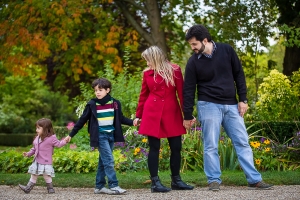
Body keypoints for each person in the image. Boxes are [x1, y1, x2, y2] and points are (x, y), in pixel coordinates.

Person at [183, 24, 274, 191]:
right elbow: (188, 89)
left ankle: (254, 179)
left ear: (205, 40)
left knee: (242, 142)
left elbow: (239, 74)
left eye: (194, 44)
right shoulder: (193, 62)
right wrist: (187, 115)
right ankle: (214, 180)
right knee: (210, 144)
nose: (192, 48)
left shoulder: (227, 50)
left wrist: (243, 99)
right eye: (191, 45)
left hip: (232, 105)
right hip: (208, 105)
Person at [64, 77, 139, 195]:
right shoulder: (92, 104)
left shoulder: (115, 103)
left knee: (103, 162)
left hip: (111, 136)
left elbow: (121, 118)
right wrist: (71, 135)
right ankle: (114, 185)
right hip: (100, 136)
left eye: (100, 90)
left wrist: (133, 122)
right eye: (95, 90)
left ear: (107, 90)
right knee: (109, 160)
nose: (97, 92)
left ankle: (99, 186)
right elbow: (82, 120)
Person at [135, 46, 194, 193]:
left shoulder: (174, 70)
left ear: (155, 58)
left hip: (171, 113)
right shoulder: (147, 73)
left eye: (148, 60)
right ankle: (155, 183)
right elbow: (143, 95)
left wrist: (187, 115)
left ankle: (176, 180)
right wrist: (138, 115)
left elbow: (182, 94)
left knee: (176, 147)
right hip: (152, 114)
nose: (147, 64)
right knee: (154, 148)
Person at [19, 118, 68, 194]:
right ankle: (27, 188)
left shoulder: (51, 138)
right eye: (36, 128)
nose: (36, 130)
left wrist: (65, 141)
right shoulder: (37, 138)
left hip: (45, 161)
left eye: (38, 128)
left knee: (47, 176)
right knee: (34, 175)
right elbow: (34, 148)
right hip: (37, 160)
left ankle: (50, 189)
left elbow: (58, 144)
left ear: (46, 129)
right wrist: (28, 153)